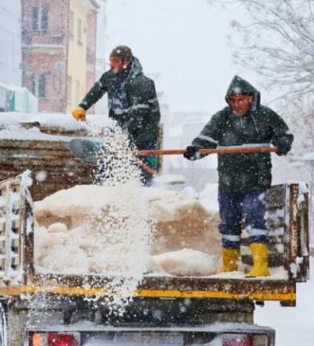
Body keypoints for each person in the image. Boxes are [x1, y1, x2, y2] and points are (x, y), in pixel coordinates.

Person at [183, 75, 293, 277]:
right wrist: (196, 150)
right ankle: (229, 265)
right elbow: (206, 140)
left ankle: (261, 266)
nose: (237, 104)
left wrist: (282, 143)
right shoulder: (222, 118)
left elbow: (283, 134)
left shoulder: (265, 116)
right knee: (228, 222)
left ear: (251, 98)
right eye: (233, 100)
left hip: (256, 181)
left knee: (254, 217)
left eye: (241, 100)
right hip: (228, 182)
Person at [72, 45, 161, 186]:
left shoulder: (142, 83)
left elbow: (138, 116)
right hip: (122, 132)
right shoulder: (111, 76)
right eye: (110, 60)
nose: (111, 64)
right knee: (114, 169)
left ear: (125, 61)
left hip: (145, 136)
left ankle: (146, 196)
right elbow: (97, 89)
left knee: (143, 175)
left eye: (115, 60)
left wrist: (123, 136)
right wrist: (83, 106)